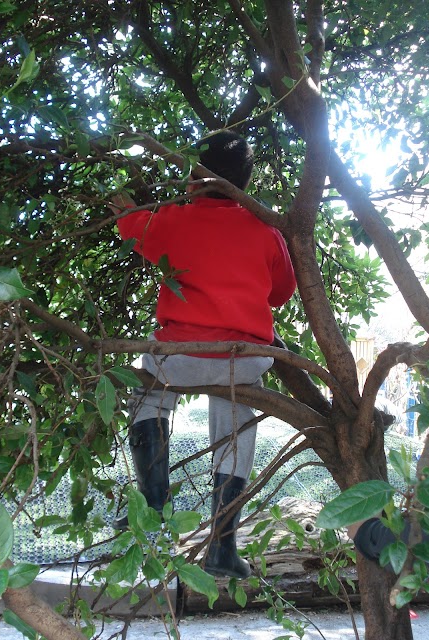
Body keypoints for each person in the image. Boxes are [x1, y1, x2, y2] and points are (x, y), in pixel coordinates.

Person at [109, 130, 296, 579]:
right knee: (238, 423)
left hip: (178, 357)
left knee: (148, 396)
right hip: (242, 359)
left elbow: (128, 223)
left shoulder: (173, 218)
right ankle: (222, 546)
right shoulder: (267, 230)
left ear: (195, 178)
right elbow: (281, 295)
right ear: (243, 184)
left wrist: (121, 203)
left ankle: (154, 513)